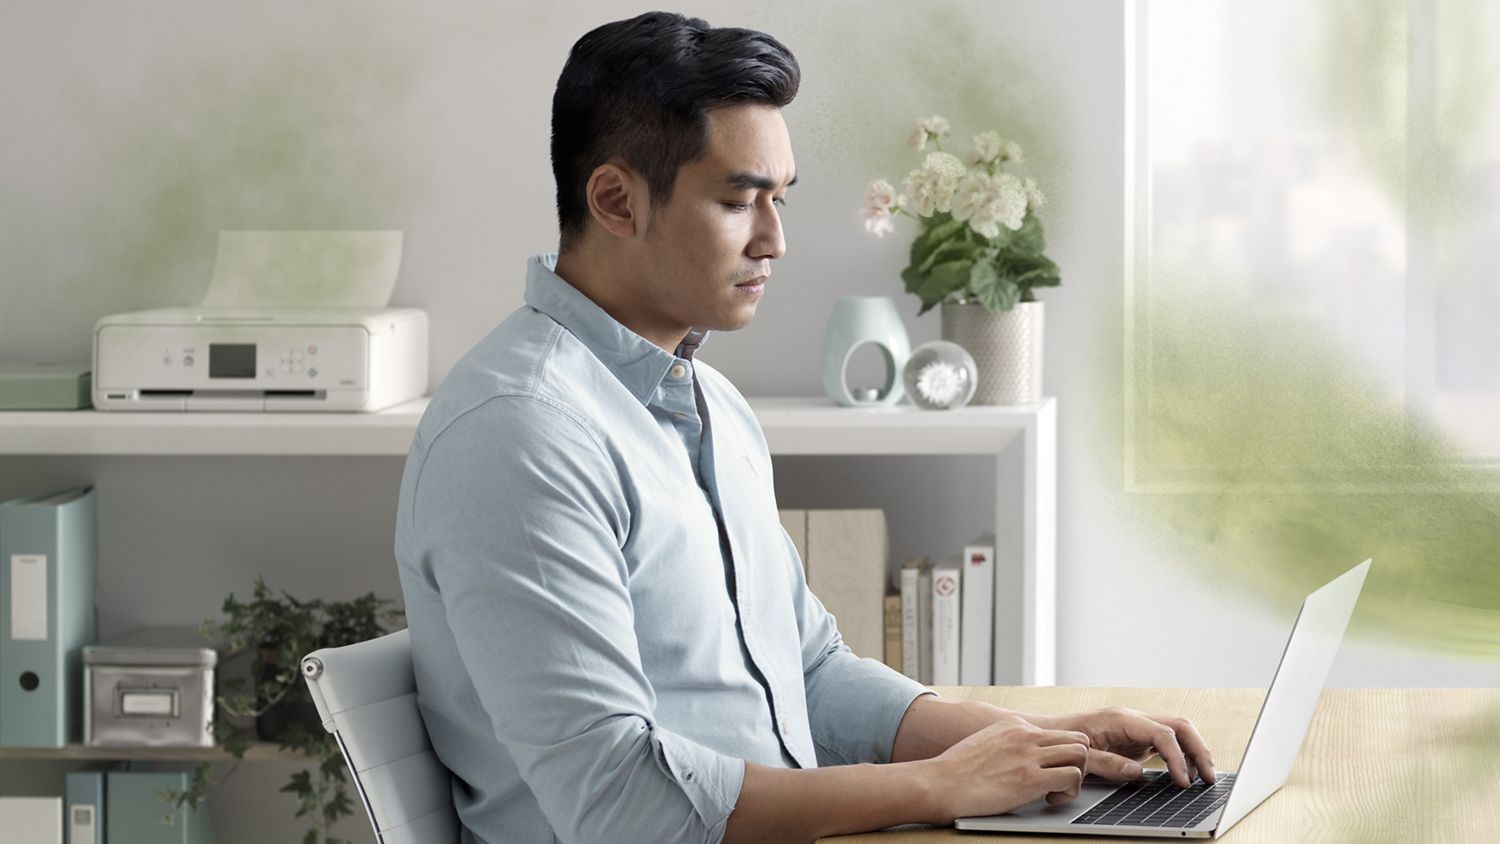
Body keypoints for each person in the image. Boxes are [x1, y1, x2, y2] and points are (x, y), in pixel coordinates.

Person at [394, 11, 1216, 844]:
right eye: (737, 200)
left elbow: (811, 674)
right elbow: (618, 803)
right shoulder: (521, 435)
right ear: (615, 199)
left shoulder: (711, 406)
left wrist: (1038, 743)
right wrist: (932, 787)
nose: (775, 240)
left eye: (778, 200)